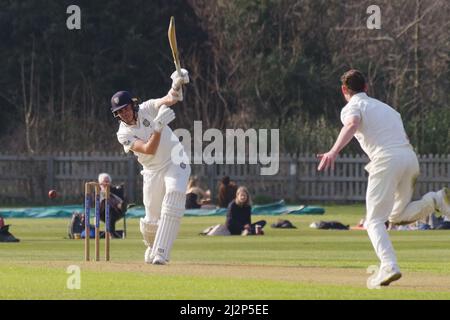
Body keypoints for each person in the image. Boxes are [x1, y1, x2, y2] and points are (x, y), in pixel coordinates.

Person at [317, 69, 450, 287]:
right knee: (396, 216)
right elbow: (402, 136)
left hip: (386, 159)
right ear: (366, 87)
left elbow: (351, 124)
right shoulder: (388, 109)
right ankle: (435, 200)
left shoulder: (352, 106)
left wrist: (333, 151)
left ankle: (389, 266)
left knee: (374, 221)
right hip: (409, 157)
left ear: (344, 90)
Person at [112, 68, 191, 265]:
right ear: (117, 115)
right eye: (120, 112)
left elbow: (169, 99)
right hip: (152, 170)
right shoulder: (123, 135)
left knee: (173, 199)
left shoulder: (147, 108)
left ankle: (161, 253)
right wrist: (157, 127)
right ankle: (152, 246)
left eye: (126, 108)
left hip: (175, 159)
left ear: (133, 105)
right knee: (151, 220)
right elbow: (148, 149)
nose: (125, 113)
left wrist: (176, 84)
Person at [97, 173, 126, 238]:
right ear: (100, 183)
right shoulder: (97, 192)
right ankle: (110, 232)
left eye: (108, 181)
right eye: (104, 181)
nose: (106, 183)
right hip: (101, 213)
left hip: (116, 212)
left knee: (110, 210)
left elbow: (121, 201)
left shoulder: (115, 190)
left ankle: (110, 232)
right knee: (108, 207)